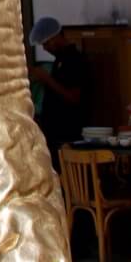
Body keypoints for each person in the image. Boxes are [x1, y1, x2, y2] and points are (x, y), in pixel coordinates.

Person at [28, 17, 89, 159]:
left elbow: (74, 97)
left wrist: (46, 79)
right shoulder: (58, 62)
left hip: (67, 133)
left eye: (47, 43)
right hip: (53, 134)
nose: (45, 48)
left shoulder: (75, 60)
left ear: (56, 37)